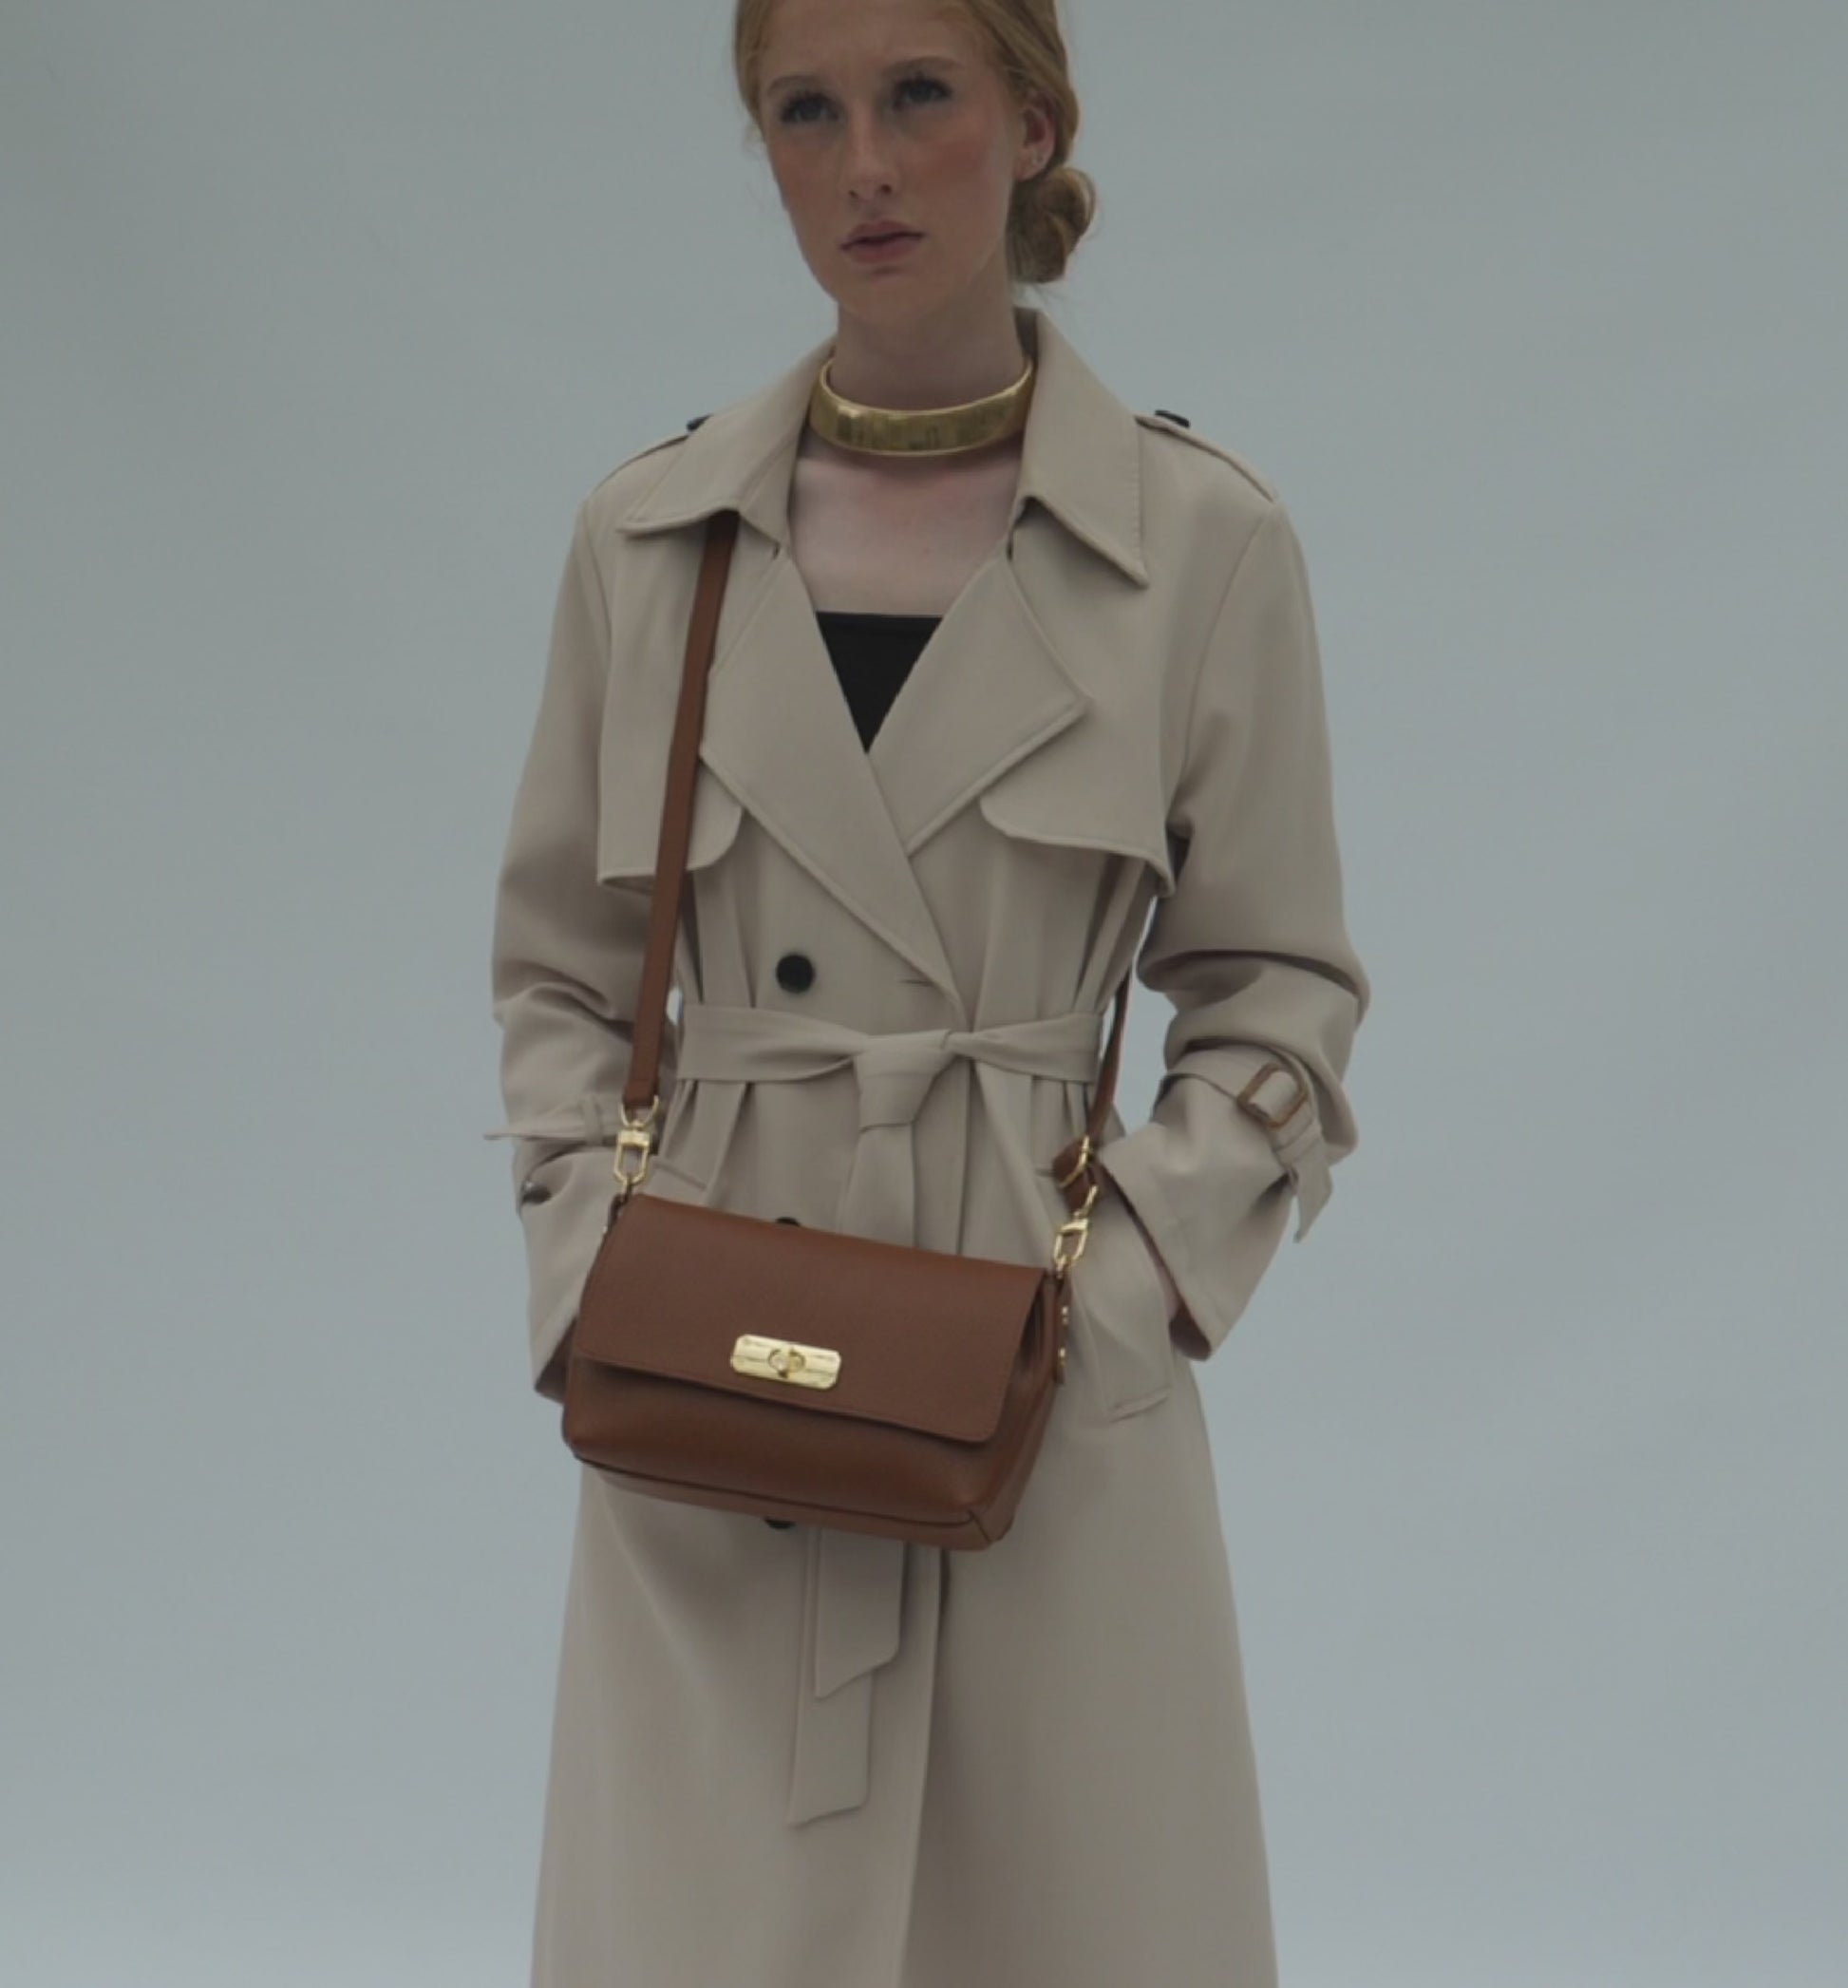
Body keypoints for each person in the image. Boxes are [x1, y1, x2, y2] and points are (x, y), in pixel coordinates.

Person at [485, 0, 1370, 1981]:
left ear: (1033, 122)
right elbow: (560, 967)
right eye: (803, 111)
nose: (864, 166)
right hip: (709, 1363)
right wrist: (582, 1252)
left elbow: (1278, 994)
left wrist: (1119, 1296)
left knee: (1060, 1914)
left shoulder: (1197, 545)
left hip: (1033, 1375)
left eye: (919, 96)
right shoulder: (650, 540)